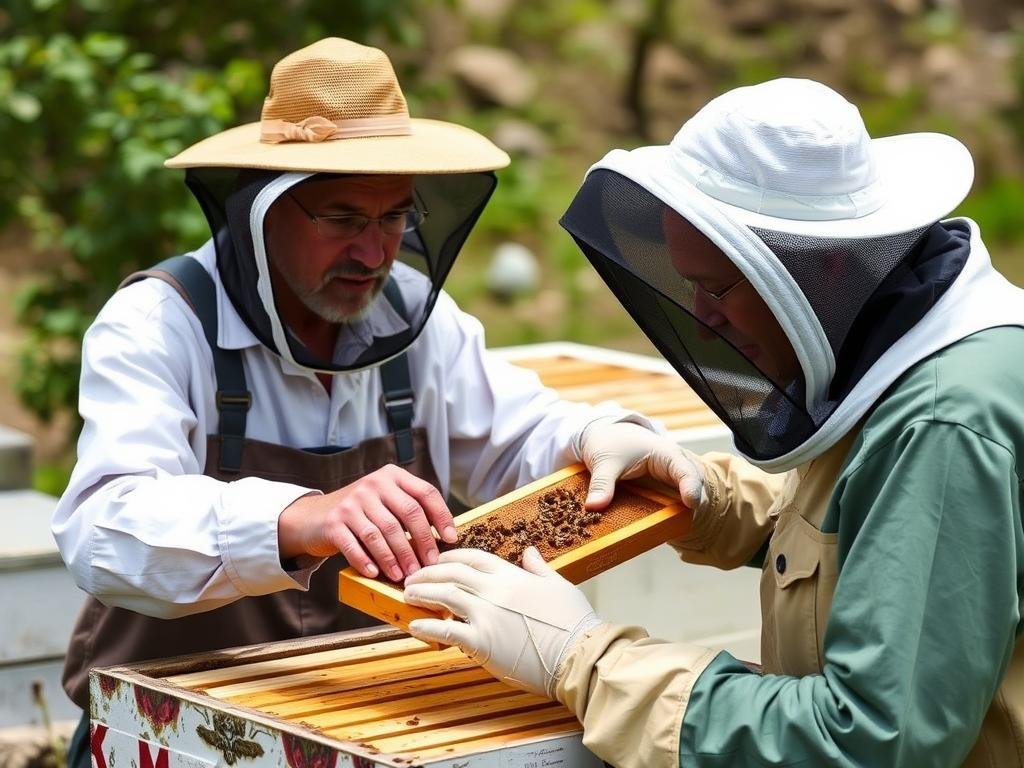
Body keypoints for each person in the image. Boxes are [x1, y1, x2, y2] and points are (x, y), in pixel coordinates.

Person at [51, 38, 698, 767]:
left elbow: (515, 434)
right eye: (342, 219)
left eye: (394, 217)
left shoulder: (413, 315)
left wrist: (596, 435)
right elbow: (103, 527)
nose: (373, 253)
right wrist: (303, 517)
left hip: (357, 719)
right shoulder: (160, 322)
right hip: (169, 735)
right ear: (261, 210)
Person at [403, 78, 1024, 767]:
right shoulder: (898, 345)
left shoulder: (943, 420)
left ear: (823, 267)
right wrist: (703, 496)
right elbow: (865, 530)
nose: (701, 319)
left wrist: (584, 658)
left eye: (717, 287)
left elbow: (870, 741)